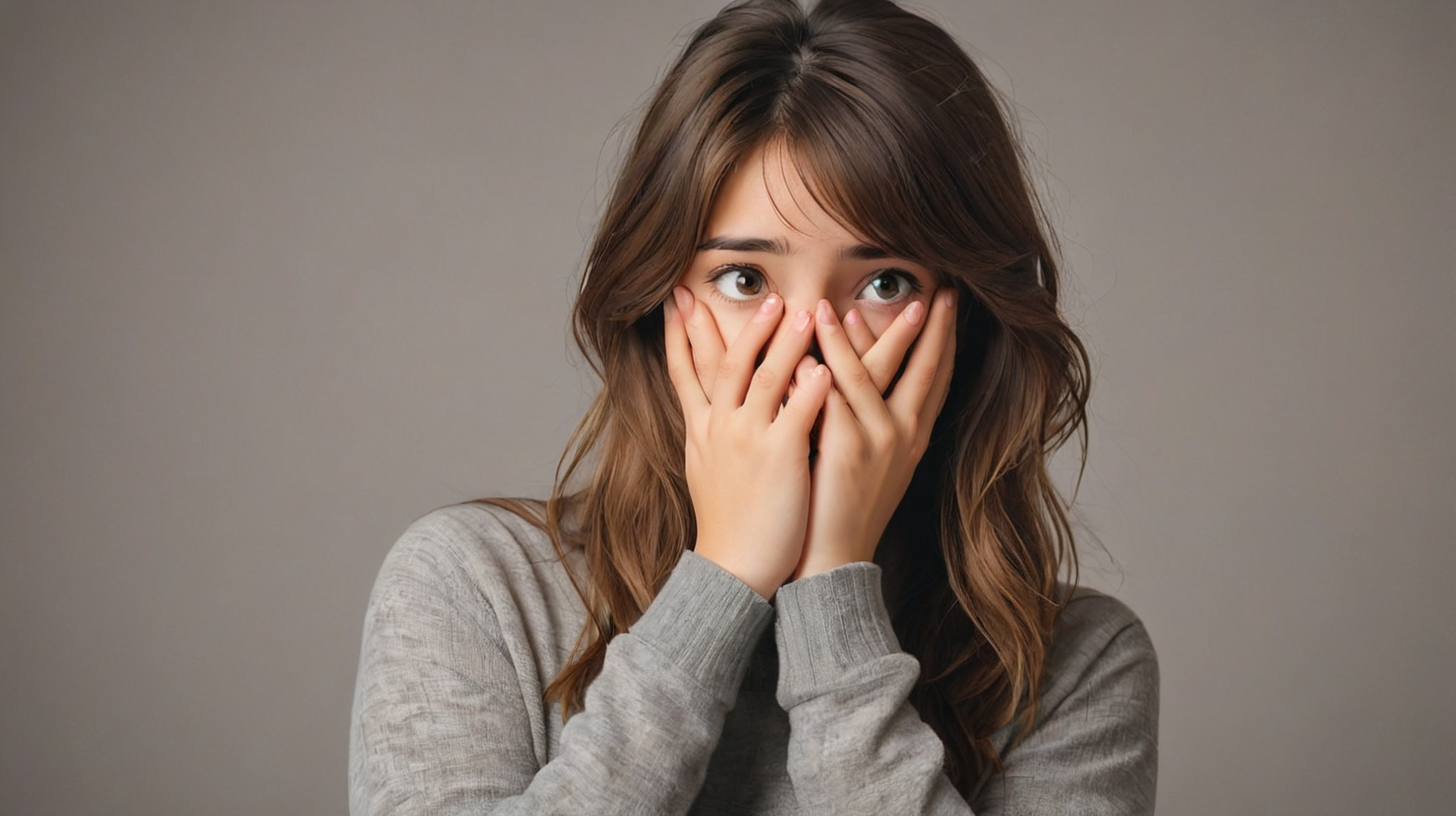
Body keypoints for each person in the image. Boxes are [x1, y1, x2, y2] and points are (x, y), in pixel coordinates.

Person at [348, 0, 1159, 813]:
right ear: (655, 303)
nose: (806, 354)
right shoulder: (476, 589)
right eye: (745, 280)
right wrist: (721, 580)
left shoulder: (1076, 663)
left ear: (969, 321)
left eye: (884, 284)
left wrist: (836, 596)